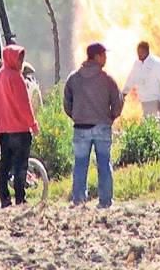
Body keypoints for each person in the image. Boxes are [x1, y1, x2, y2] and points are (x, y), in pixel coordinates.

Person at [63, 42, 124, 208]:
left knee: (80, 165)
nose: (105, 58)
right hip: (102, 128)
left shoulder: (73, 78)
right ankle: (105, 202)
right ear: (97, 57)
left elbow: (67, 104)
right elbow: (117, 104)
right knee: (104, 164)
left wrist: (77, 117)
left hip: (80, 128)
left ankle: (78, 201)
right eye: (104, 55)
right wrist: (110, 117)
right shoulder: (107, 80)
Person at [0, 43, 40, 207]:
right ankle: (20, 198)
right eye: (19, 59)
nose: (21, 62)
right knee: (20, 165)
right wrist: (33, 124)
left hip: (3, 129)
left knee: (4, 164)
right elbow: (24, 104)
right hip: (19, 129)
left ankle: (4, 199)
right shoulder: (16, 77)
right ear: (12, 59)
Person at [122, 40, 160, 118]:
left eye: (141, 52)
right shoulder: (137, 64)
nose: (139, 55)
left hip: (153, 101)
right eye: (138, 52)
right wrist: (124, 93)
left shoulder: (157, 64)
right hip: (142, 101)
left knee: (149, 125)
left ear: (147, 51)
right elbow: (131, 79)